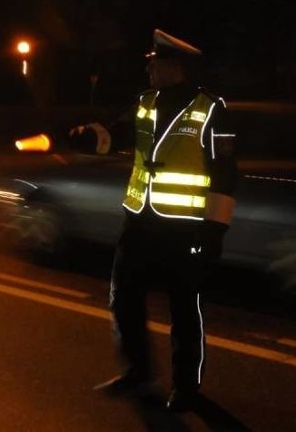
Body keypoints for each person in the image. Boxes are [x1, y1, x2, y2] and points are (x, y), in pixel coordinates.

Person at [75, 29, 237, 413]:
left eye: (154, 63)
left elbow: (226, 173)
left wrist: (214, 231)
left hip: (185, 229)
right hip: (139, 223)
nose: (148, 69)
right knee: (123, 300)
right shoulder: (145, 102)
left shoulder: (212, 109)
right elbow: (115, 132)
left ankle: (186, 388)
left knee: (184, 309)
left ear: (174, 67)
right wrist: (87, 135)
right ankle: (137, 370)